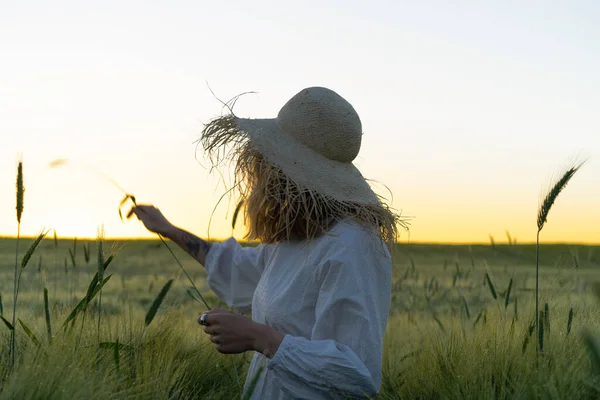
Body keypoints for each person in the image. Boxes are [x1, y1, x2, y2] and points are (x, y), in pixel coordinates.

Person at [129, 87, 407, 399]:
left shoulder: (353, 245)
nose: (259, 172)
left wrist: (257, 337)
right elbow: (239, 269)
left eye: (267, 162)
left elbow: (356, 375)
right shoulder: (302, 236)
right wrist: (168, 228)